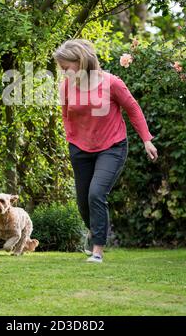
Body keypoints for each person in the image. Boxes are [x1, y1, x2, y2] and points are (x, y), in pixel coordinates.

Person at [53, 39, 158, 263]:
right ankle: (94, 231)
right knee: (83, 200)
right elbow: (65, 114)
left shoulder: (111, 83)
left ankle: (97, 250)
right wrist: (72, 139)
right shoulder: (66, 86)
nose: (63, 73)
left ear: (81, 62)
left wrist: (146, 139)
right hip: (80, 148)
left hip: (112, 146)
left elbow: (133, 109)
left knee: (96, 193)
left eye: (66, 67)